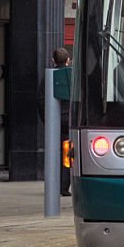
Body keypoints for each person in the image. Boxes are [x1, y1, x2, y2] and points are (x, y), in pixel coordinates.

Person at [53, 47, 72, 195]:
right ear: (68, 60)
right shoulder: (71, 77)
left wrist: (48, 121)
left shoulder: (49, 76)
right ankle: (64, 187)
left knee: (54, 153)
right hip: (69, 120)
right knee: (67, 154)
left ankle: (54, 183)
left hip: (55, 121)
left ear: (53, 60)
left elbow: (41, 102)